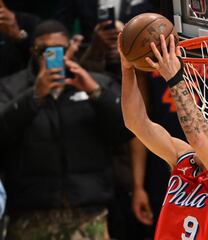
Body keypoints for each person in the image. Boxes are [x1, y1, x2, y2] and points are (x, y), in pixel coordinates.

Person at [119, 32, 208, 239]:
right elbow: (135, 122)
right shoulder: (184, 158)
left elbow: (200, 139)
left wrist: (175, 78)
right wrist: (127, 68)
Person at [0, 20, 131, 240]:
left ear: (72, 47)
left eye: (60, 49)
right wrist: (34, 96)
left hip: (89, 213)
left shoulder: (96, 82)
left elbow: (126, 131)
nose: (53, 56)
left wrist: (96, 93)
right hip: (29, 215)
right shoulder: (9, 88)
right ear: (33, 52)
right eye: (45, 51)